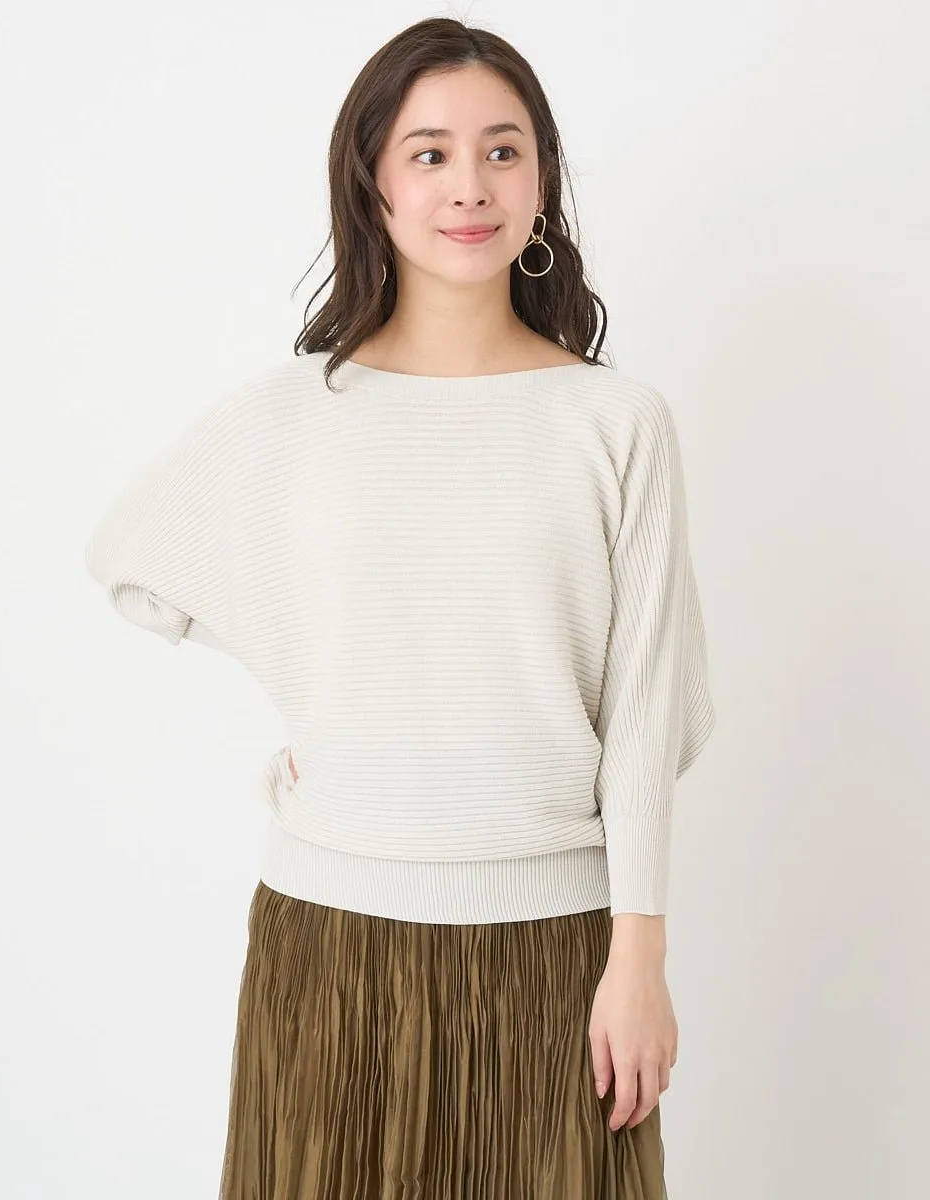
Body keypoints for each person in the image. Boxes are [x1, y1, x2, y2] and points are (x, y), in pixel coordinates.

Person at [84, 17, 716, 1200]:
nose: (469, 185)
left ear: (541, 180)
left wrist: (639, 955)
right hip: (329, 945)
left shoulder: (614, 423)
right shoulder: (292, 412)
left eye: (501, 150)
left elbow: (643, 714)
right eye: (429, 153)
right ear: (371, 182)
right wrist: (327, 689)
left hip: (557, 957)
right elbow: (135, 563)